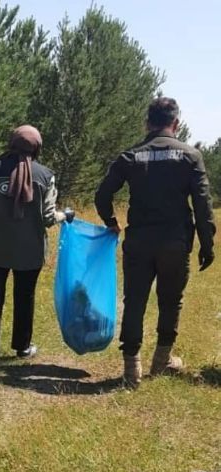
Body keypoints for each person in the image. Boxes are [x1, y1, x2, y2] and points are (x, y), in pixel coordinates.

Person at [95, 97, 215, 390]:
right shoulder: (190, 156)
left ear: (147, 122)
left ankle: (131, 370)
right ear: (176, 123)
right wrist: (207, 243)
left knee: (134, 300)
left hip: (139, 241)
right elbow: (202, 204)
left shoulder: (131, 156)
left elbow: (102, 195)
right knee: (170, 300)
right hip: (175, 241)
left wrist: (111, 222)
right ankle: (161, 362)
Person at [0, 125, 72, 380]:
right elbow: (49, 217)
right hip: (29, 252)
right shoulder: (44, 176)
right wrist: (66, 215)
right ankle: (22, 347)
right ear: (37, 147)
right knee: (24, 297)